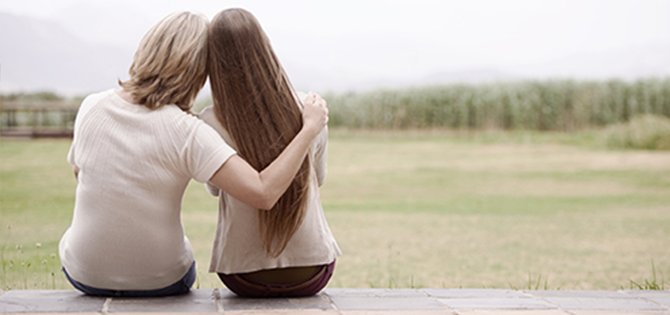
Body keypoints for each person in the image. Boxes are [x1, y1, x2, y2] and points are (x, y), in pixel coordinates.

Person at [58, 11, 328, 297]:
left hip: (83, 273)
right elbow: (262, 192)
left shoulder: (91, 106)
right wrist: (309, 129)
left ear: (145, 49)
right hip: (162, 279)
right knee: (180, 249)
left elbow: (81, 174)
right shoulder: (188, 130)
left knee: (70, 239)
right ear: (199, 71)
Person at [199, 8, 341, 298]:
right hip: (312, 273)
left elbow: (215, 189)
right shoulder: (310, 110)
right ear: (266, 48)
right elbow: (319, 177)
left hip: (242, 276)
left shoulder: (209, 121)